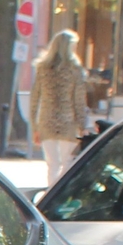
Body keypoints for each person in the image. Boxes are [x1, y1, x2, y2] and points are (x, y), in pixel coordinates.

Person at [29, 30, 91, 182]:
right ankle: (61, 197)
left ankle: (50, 194)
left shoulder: (42, 68)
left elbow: (34, 98)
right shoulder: (75, 70)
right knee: (67, 163)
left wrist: (35, 127)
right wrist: (83, 125)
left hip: (46, 121)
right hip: (68, 122)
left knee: (52, 164)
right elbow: (78, 101)